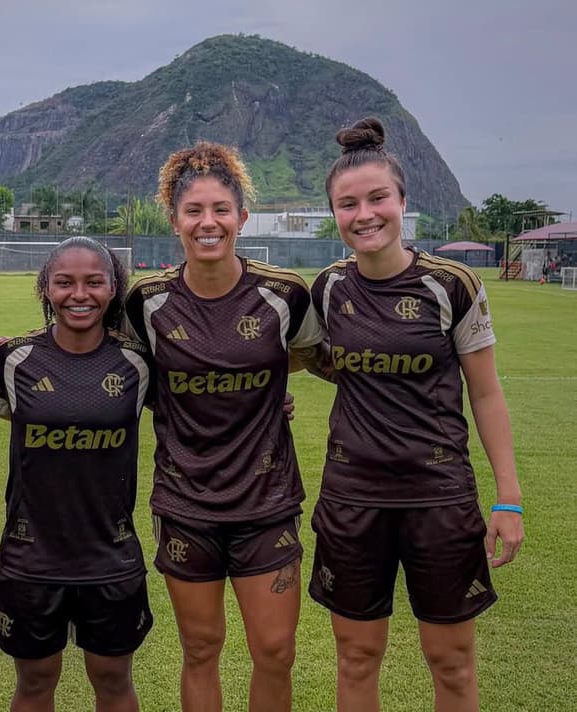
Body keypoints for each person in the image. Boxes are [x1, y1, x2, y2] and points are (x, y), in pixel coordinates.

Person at [308, 117, 524, 712]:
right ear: (335, 214)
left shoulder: (451, 284)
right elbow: (305, 356)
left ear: (403, 201)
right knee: (355, 660)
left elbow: (486, 394)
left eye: (378, 198)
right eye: (348, 204)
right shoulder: (326, 289)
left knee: (451, 664)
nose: (365, 214)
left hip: (439, 497)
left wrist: (507, 498)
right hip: (352, 498)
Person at [124, 142, 325, 711]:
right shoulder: (147, 302)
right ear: (175, 220)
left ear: (240, 217)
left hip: (267, 499)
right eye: (194, 211)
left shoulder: (284, 294)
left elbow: (312, 357)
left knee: (275, 650)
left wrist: (269, 393)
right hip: (187, 502)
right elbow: (124, 375)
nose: (207, 222)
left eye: (220, 210)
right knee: (201, 648)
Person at [0, 236, 153, 712]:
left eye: (94, 282)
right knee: (35, 681)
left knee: (113, 680)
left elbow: (199, 405)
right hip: (32, 556)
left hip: (110, 554)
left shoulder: (137, 363)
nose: (79, 294)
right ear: (45, 288)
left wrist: (269, 404)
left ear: (113, 289)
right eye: (64, 282)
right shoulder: (14, 359)